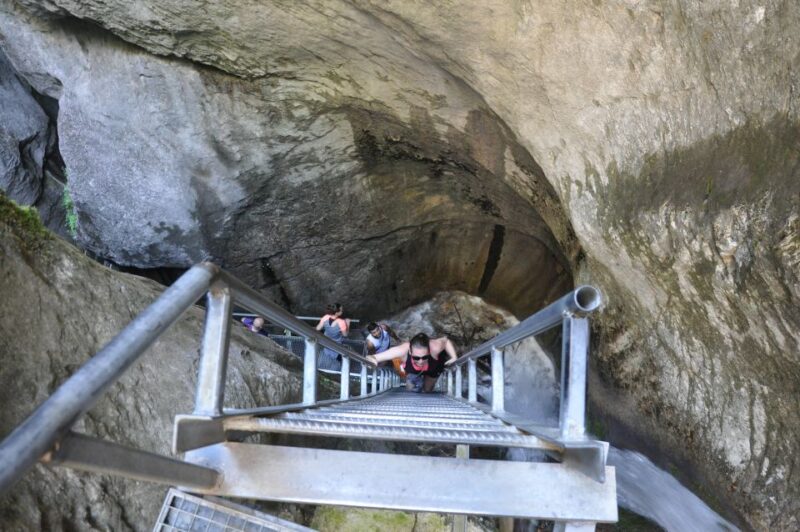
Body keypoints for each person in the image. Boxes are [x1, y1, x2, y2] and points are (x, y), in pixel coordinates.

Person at [366, 333, 457, 392]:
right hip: (413, 369)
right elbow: (373, 357)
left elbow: (446, 341)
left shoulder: (435, 347)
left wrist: (454, 357)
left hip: (433, 367)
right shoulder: (402, 350)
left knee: (427, 390)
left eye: (424, 357)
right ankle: (416, 381)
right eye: (416, 358)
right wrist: (372, 359)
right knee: (409, 389)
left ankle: (423, 383)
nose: (421, 361)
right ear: (410, 352)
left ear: (429, 352)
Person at [315, 303, 350, 369]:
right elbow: (345, 335)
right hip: (337, 346)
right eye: (341, 310)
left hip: (326, 343)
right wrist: (347, 324)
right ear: (337, 312)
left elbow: (317, 328)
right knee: (337, 363)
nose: (342, 311)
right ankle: (337, 373)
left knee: (327, 359)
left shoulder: (325, 317)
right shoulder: (341, 322)